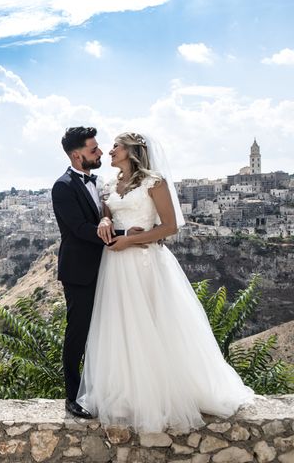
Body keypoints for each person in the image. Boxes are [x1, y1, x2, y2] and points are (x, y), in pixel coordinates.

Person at [76, 131, 254, 432]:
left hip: (143, 262)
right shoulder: (111, 184)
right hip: (115, 263)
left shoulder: (154, 182)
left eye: (116, 146)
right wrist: (105, 221)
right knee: (121, 325)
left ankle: (161, 393)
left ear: (132, 151)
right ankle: (127, 393)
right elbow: (107, 215)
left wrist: (131, 240)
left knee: (153, 323)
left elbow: (169, 227)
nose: (110, 150)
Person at [51, 127, 143, 419]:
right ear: (77, 155)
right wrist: (125, 233)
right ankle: (72, 395)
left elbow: (100, 217)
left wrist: (107, 218)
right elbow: (79, 229)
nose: (101, 152)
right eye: (94, 149)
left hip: (105, 268)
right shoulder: (63, 186)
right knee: (78, 332)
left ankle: (102, 390)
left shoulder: (96, 181)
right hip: (79, 271)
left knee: (105, 332)